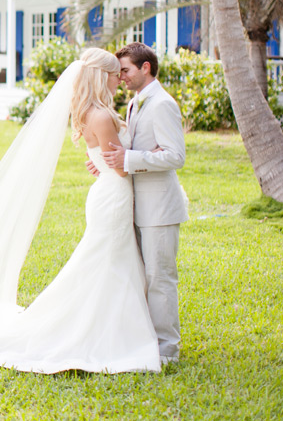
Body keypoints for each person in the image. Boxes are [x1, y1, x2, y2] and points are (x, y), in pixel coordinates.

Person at [0, 48, 160, 374]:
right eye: (116, 74)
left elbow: (109, 157)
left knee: (110, 262)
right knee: (104, 262)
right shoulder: (100, 116)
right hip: (113, 197)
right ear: (103, 76)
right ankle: (103, 332)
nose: (120, 79)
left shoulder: (93, 112)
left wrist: (107, 160)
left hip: (109, 194)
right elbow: (122, 167)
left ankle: (113, 325)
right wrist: (151, 154)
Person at [96, 42, 189, 365]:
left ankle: (167, 349)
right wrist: (108, 161)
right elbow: (132, 148)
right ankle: (146, 338)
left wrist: (129, 158)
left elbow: (175, 156)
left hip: (160, 209)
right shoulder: (136, 103)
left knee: (160, 278)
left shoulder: (162, 104)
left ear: (145, 68)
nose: (121, 77)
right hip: (136, 206)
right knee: (141, 275)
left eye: (125, 70)